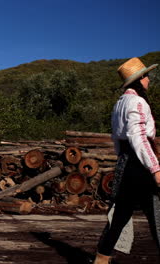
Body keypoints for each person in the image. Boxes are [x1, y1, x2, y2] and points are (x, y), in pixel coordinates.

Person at [94, 57, 160, 264]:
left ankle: (101, 260)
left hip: (125, 164)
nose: (149, 80)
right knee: (157, 215)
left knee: (120, 216)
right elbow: (139, 137)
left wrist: (121, 162)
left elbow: (117, 139)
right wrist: (156, 169)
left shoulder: (119, 104)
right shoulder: (137, 102)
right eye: (146, 76)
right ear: (139, 79)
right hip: (140, 166)